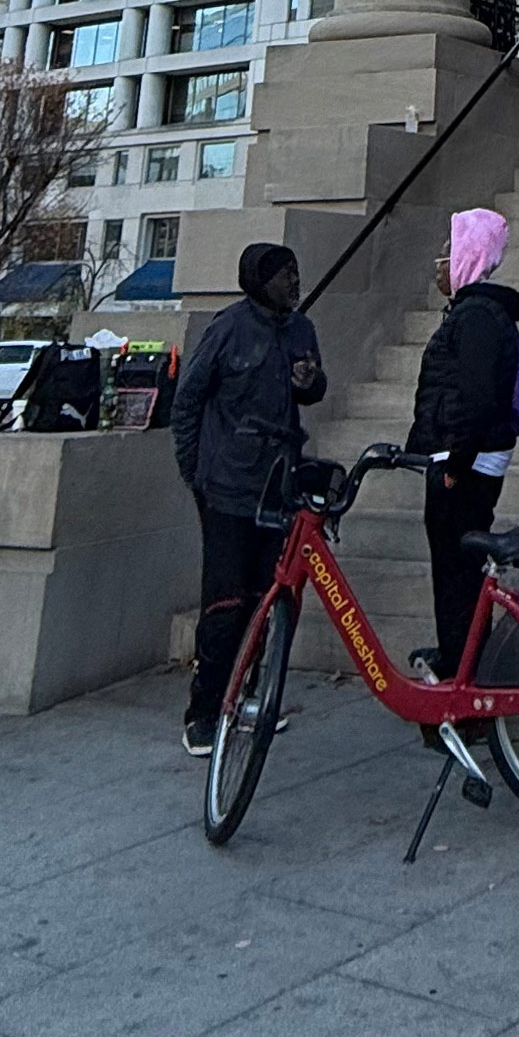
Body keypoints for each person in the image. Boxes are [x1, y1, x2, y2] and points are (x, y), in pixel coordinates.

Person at [170, 242, 325, 756]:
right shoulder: (227, 328)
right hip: (228, 489)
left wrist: (311, 381)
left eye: (297, 273)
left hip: (279, 486)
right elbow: (188, 397)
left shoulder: (301, 330)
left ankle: (251, 695)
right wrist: (195, 471)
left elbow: (312, 389)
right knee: (225, 603)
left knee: (268, 598)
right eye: (285, 275)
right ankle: (205, 712)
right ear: (260, 280)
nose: (294, 283)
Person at [406, 209, 519, 680]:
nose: (439, 263)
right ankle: (459, 659)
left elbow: (477, 402)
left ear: (469, 255)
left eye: (447, 252)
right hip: (464, 457)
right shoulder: (474, 312)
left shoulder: (476, 316)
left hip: (466, 463)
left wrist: (453, 464)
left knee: (457, 575)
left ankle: (463, 672)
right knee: (458, 571)